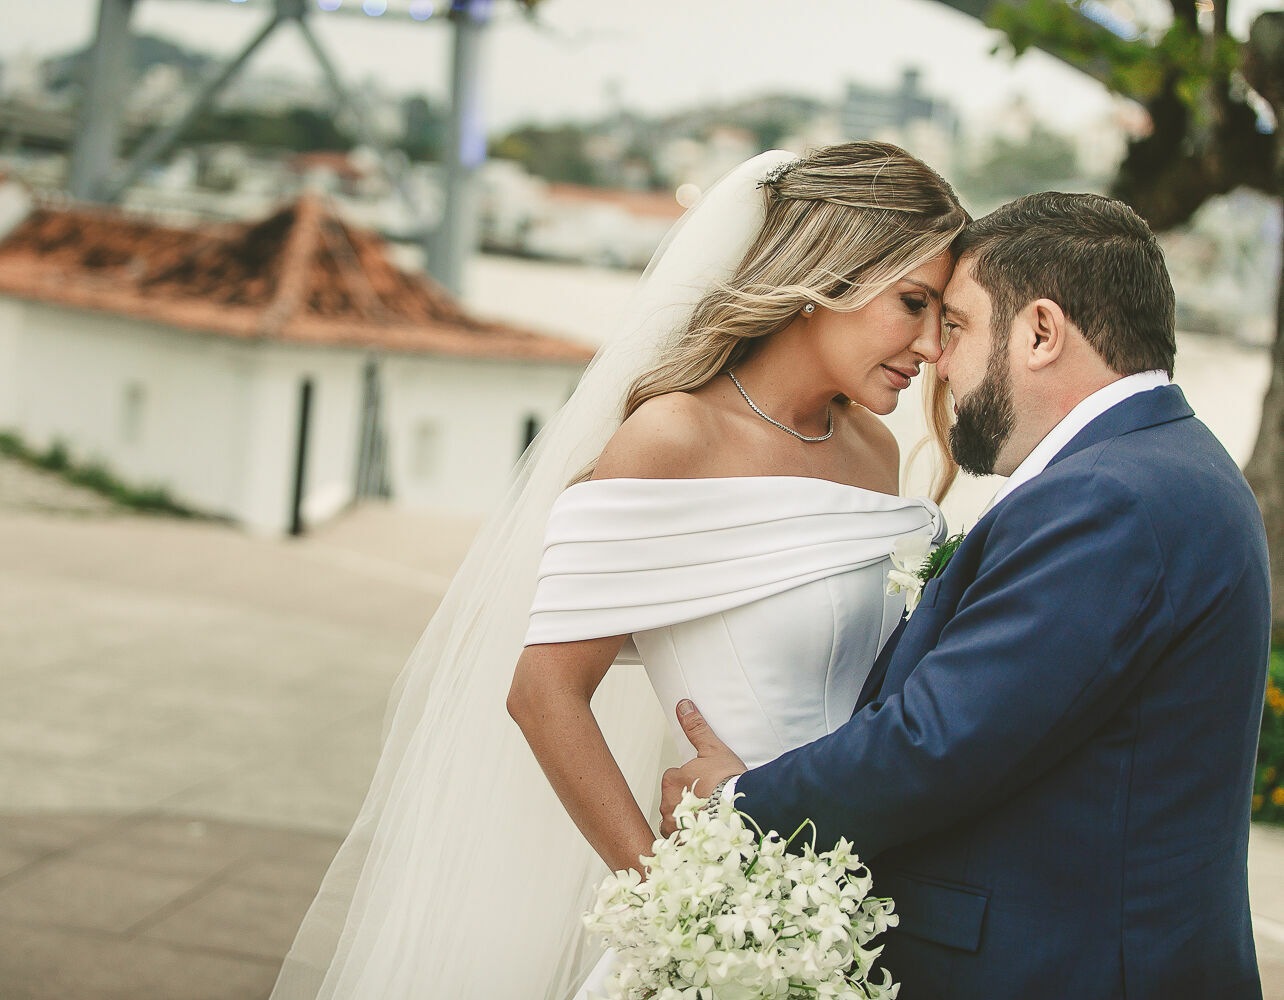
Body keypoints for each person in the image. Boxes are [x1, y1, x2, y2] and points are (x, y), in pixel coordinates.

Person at [273, 142, 968, 1000]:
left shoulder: (871, 449)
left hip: (860, 896)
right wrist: (674, 907)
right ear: (827, 274)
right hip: (728, 920)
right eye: (914, 303)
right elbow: (543, 693)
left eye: (945, 318)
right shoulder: (674, 437)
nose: (933, 346)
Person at [664, 192, 1272, 1000]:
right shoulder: (1167, 466)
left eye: (955, 326)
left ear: (1041, 333)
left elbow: (940, 739)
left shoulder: (1111, 497)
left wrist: (735, 806)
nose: (937, 363)